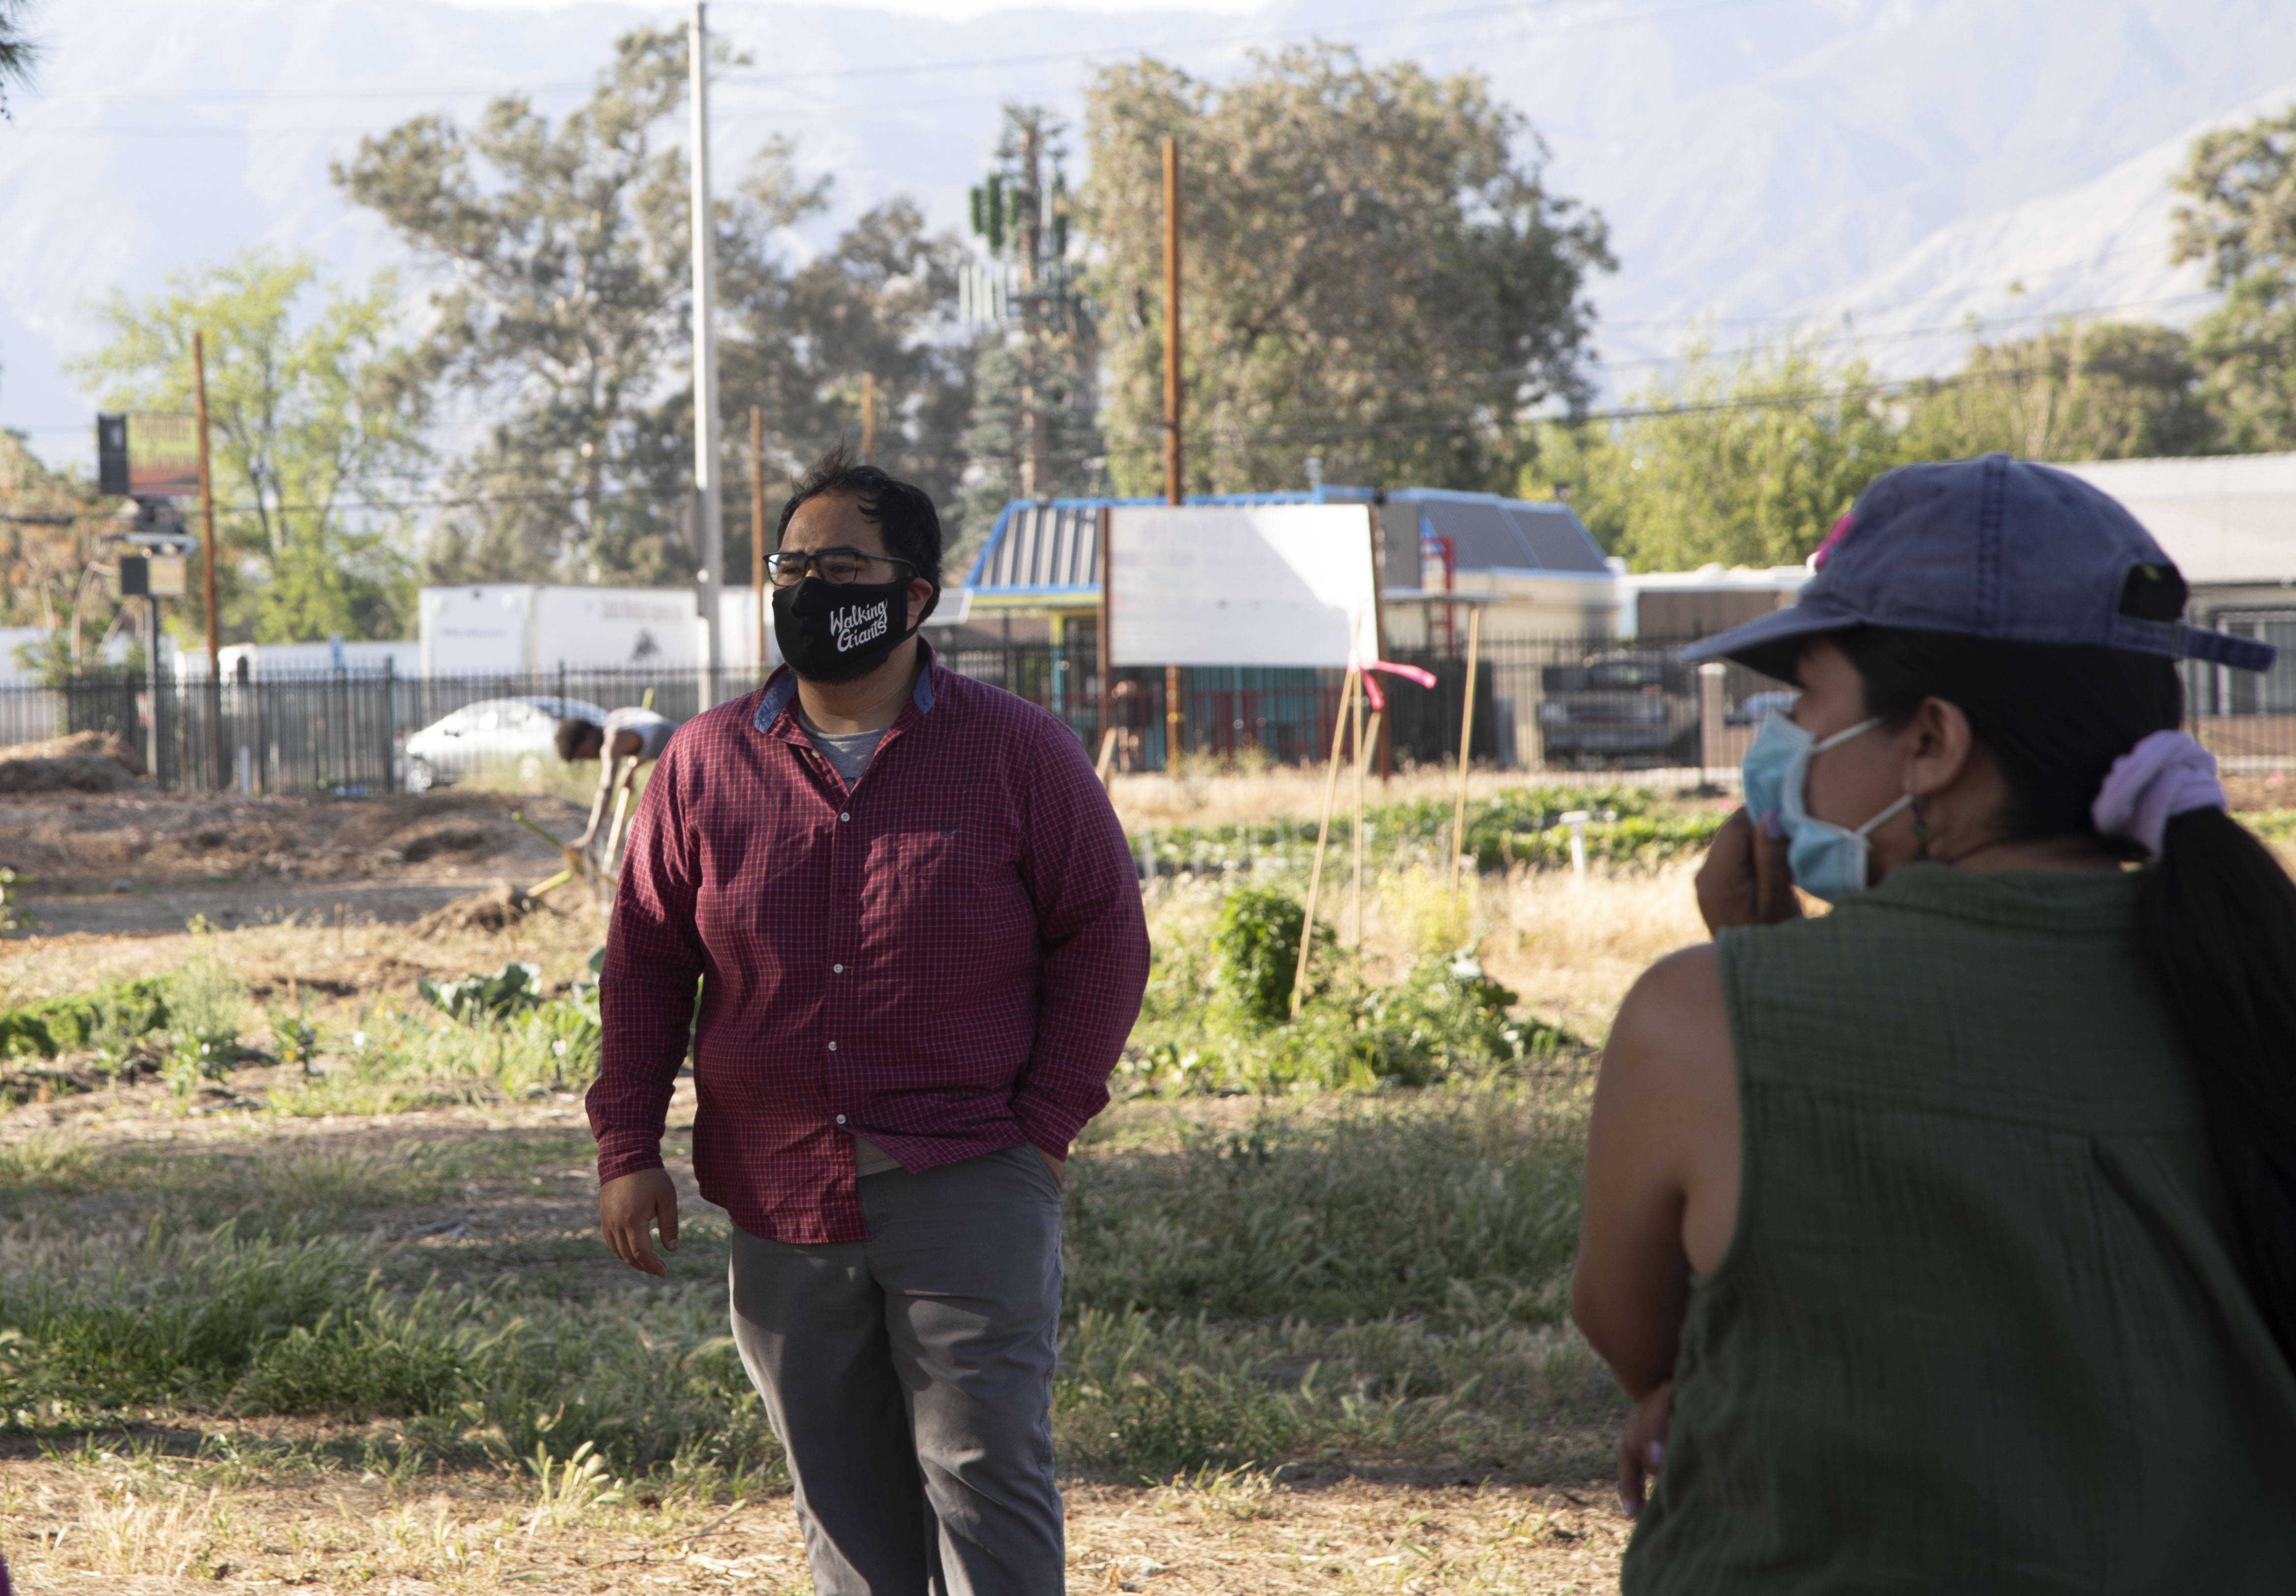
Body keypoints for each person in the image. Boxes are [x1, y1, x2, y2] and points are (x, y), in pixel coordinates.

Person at [1572, 455, 2296, 1592]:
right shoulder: (2256, 987)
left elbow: (1640, 1339)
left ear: (1931, 743)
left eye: (1803, 701)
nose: (1779, 742)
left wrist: (1752, 965)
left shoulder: (1699, 1022)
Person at [587, 441, 1150, 1596]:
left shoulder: (1015, 751)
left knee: (986, 1473)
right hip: (781, 1186)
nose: (804, 589)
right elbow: (646, 964)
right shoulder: (703, 765)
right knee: (840, 1499)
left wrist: (1042, 1127)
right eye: (787, 567)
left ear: (913, 594)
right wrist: (626, 1147)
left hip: (968, 1169)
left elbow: (1104, 934)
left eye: (838, 565)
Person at [555, 704, 676, 876]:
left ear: (588, 736)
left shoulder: (611, 744)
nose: (589, 759)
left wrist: (590, 835)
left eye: (584, 754)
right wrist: (632, 767)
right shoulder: (616, 719)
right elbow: (656, 735)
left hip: (687, 762)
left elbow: (606, 789)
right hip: (685, 749)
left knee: (637, 828)